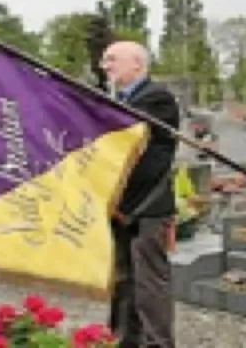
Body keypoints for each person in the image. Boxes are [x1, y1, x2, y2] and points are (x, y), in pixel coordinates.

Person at [100, 41, 180, 348]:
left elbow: (122, 125)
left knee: (149, 284)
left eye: (111, 60)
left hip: (149, 206)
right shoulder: (118, 98)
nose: (104, 65)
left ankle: (158, 342)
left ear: (136, 64)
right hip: (121, 206)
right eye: (104, 60)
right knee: (122, 280)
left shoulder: (157, 98)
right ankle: (123, 339)